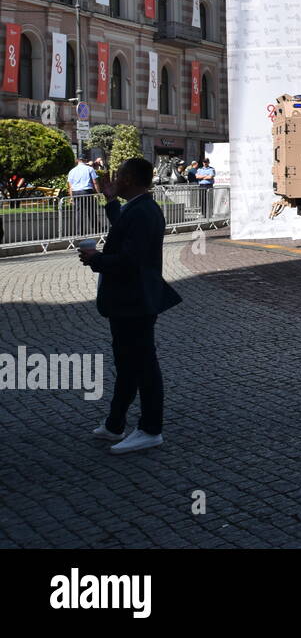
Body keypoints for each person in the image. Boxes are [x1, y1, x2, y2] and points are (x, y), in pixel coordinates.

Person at [78, 157, 182, 454]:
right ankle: (115, 424)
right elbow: (123, 228)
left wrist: (96, 259)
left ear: (131, 180)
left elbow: (130, 260)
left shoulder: (144, 212)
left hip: (135, 300)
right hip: (130, 300)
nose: (116, 178)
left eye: (121, 174)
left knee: (144, 366)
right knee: (127, 364)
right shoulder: (138, 208)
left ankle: (151, 428)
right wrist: (110, 200)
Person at [67, 154, 101, 236]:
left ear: (77, 160)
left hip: (76, 192)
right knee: (91, 211)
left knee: (78, 213)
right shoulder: (89, 169)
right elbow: (95, 182)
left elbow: (70, 186)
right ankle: (97, 230)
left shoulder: (72, 171)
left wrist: (71, 197)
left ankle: (79, 233)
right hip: (86, 191)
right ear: (85, 160)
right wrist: (98, 193)